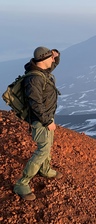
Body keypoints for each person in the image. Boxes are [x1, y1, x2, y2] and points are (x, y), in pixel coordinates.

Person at [14, 46, 62, 200]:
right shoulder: (34, 79)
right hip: (41, 121)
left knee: (48, 145)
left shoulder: (41, 72)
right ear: (42, 60)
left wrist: (56, 55)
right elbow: (35, 103)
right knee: (42, 150)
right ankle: (22, 183)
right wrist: (47, 121)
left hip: (47, 117)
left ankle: (45, 169)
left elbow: (51, 65)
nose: (52, 61)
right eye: (50, 58)